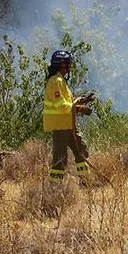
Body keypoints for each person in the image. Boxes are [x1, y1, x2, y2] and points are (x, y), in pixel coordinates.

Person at [42, 49, 95, 181]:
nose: (70, 67)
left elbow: (69, 103)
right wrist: (81, 108)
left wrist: (83, 100)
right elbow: (62, 106)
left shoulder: (61, 81)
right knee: (60, 159)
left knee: (81, 150)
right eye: (68, 64)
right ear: (62, 65)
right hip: (60, 127)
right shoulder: (56, 81)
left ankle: (85, 183)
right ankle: (55, 188)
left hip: (69, 125)